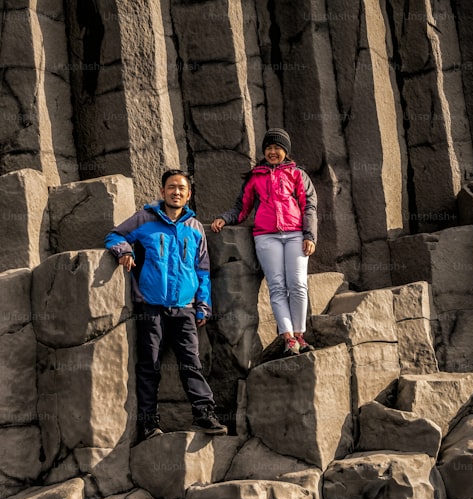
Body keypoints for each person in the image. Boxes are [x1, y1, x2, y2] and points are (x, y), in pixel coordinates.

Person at [105, 169, 227, 440]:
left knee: (191, 363)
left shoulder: (195, 228)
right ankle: (149, 424)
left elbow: (203, 269)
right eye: (171, 187)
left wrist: (203, 304)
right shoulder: (145, 218)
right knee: (149, 365)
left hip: (185, 307)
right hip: (151, 306)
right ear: (162, 192)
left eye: (182, 188)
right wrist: (124, 252)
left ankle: (204, 415)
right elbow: (114, 236)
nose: (176, 192)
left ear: (188, 194)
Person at [211, 128, 317, 356]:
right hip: (266, 237)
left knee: (298, 284)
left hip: (295, 233)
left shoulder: (297, 174)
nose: (272, 152)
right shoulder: (255, 177)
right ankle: (288, 339)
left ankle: (300, 335)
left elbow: (309, 206)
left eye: (277, 148)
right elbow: (242, 208)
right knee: (277, 286)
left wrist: (310, 236)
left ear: (285, 151)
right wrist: (224, 218)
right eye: (268, 148)